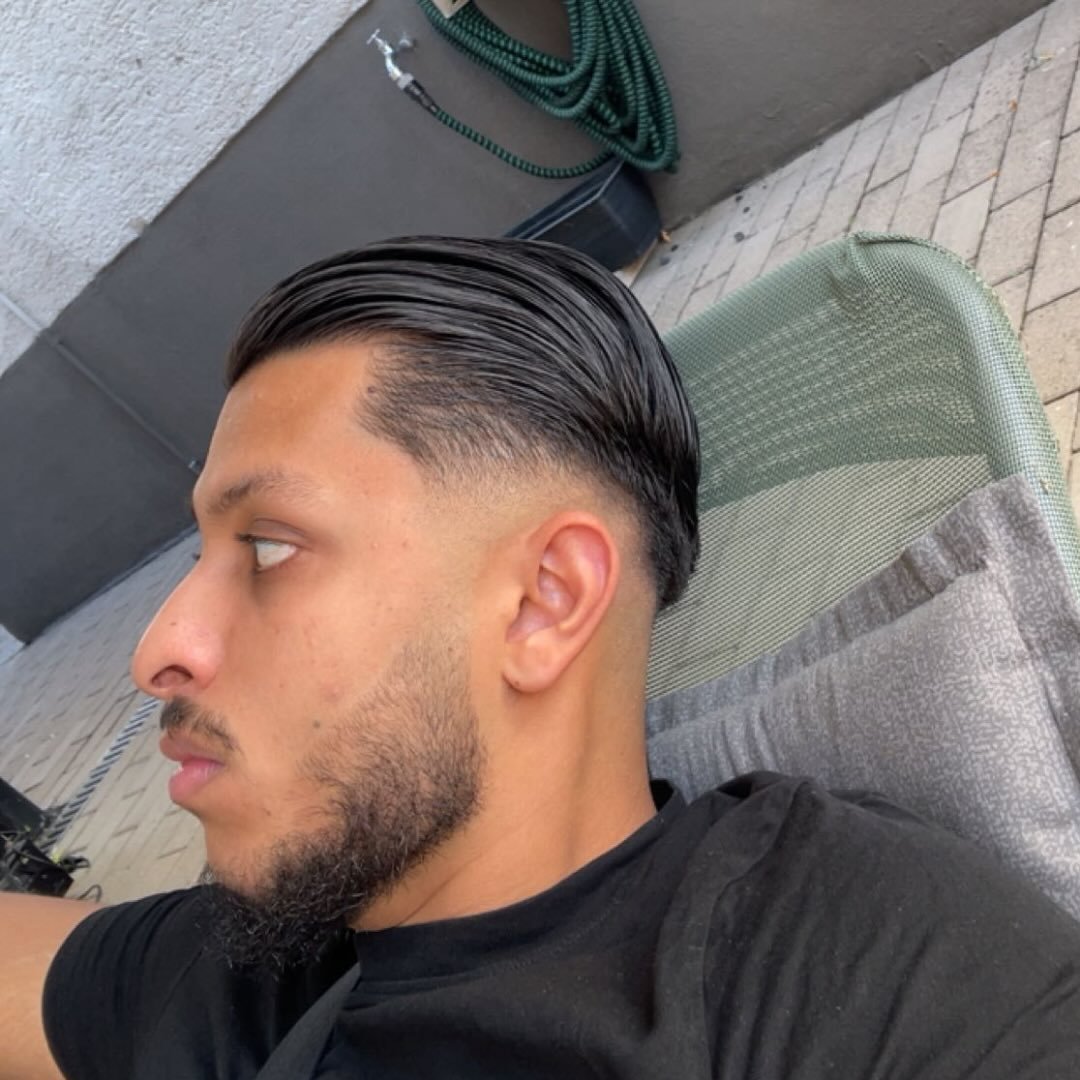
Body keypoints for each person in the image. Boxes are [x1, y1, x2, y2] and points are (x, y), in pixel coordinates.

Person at [3, 236, 1080, 1080]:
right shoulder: (257, 960)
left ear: (543, 602)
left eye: (270, 548)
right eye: (201, 554)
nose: (159, 649)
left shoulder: (865, 975)